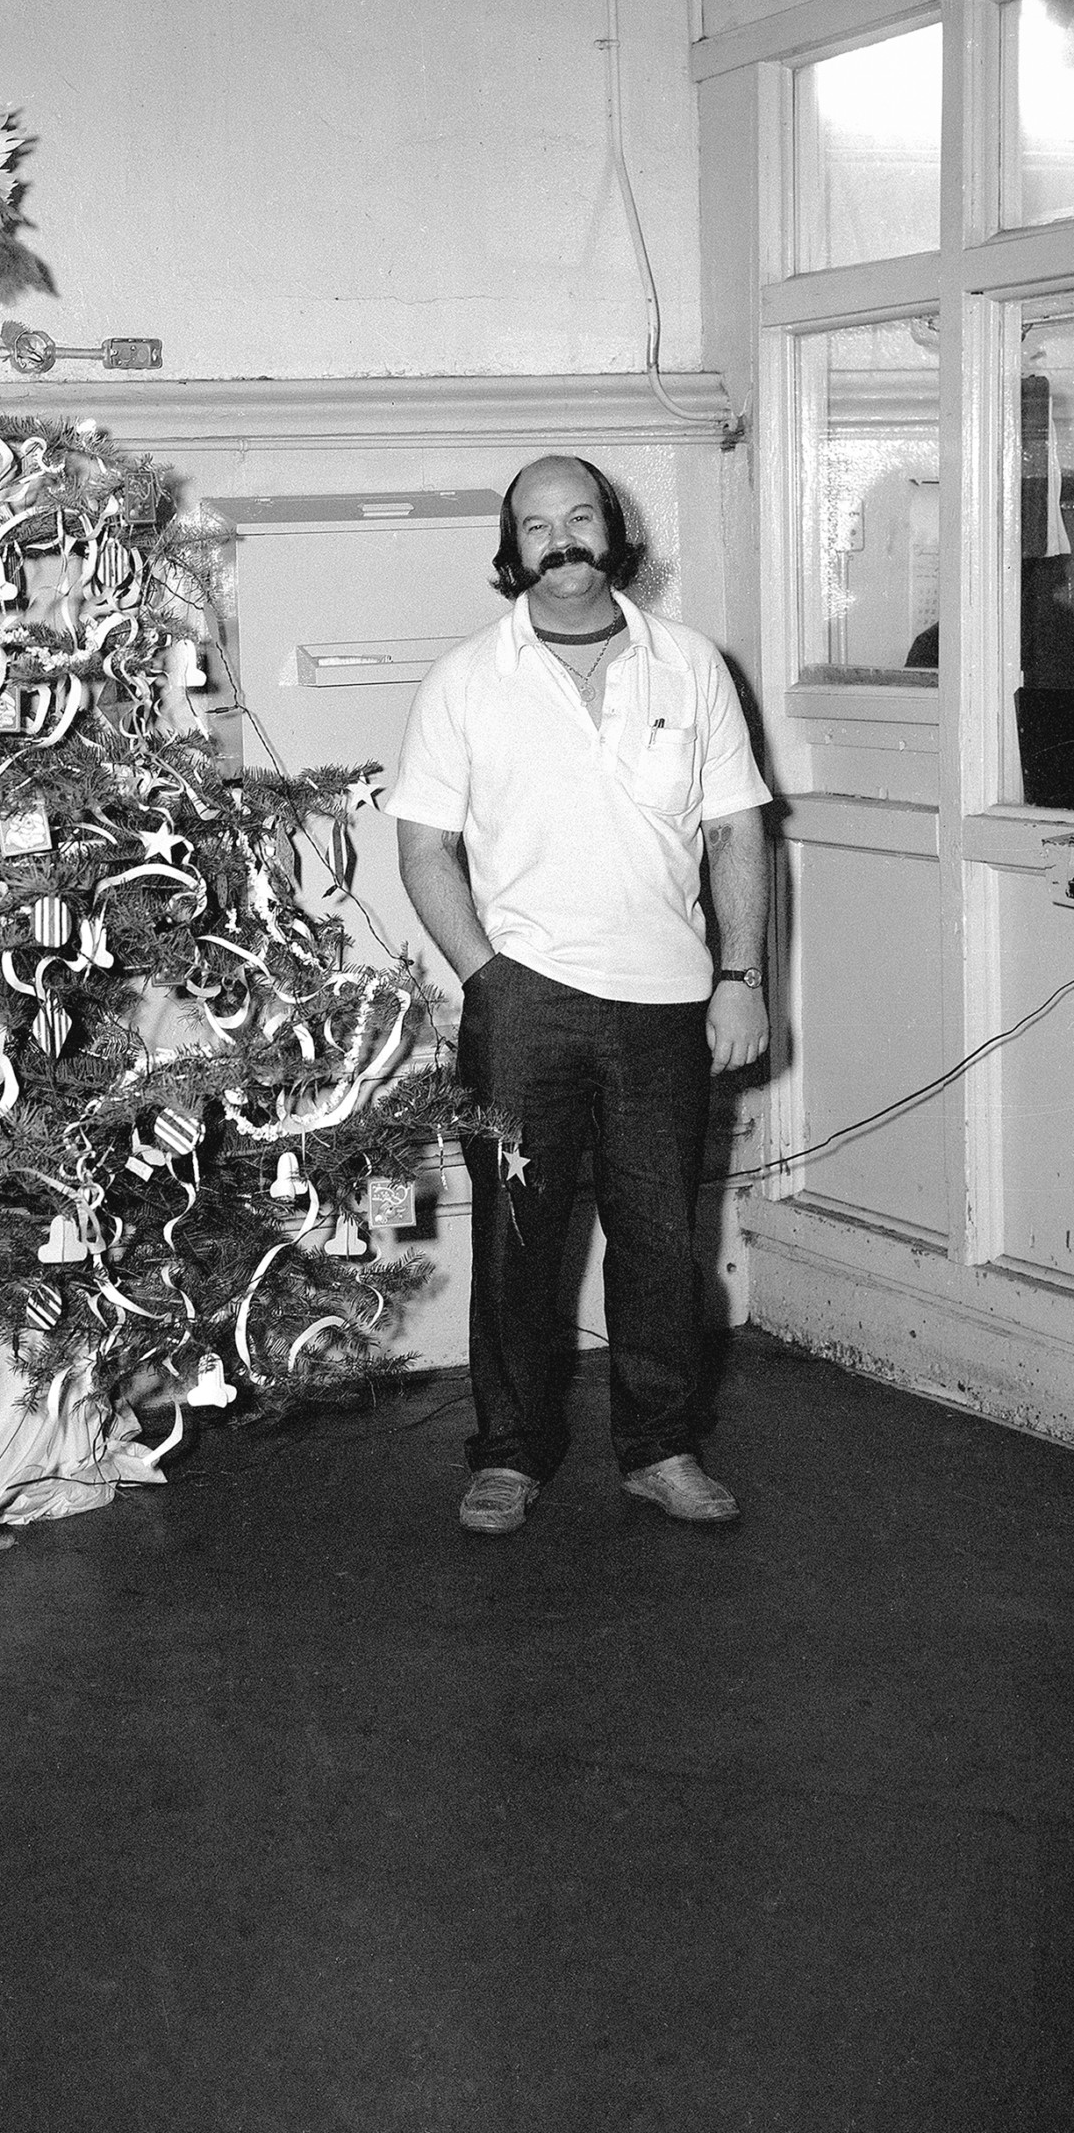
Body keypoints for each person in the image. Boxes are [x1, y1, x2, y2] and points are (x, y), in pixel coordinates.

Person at [392, 455, 769, 1535]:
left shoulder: (688, 665)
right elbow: (424, 846)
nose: (561, 539)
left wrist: (738, 978)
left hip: (664, 1008)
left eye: (579, 517)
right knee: (518, 1238)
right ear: (509, 548)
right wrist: (484, 975)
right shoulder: (465, 677)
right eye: (535, 524)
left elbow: (735, 829)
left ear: (614, 530)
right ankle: (508, 1454)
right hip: (523, 1008)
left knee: (660, 1240)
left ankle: (659, 1446)